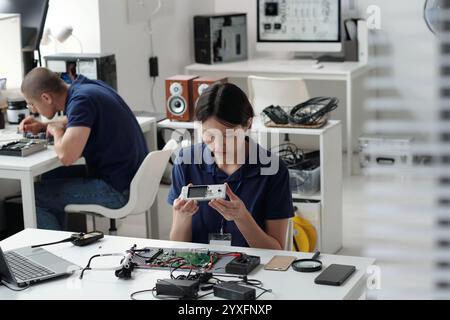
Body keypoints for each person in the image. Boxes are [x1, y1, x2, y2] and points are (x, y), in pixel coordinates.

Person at [168, 83, 294, 250]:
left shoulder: (273, 170)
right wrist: (182, 217)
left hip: (252, 270)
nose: (218, 146)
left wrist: (242, 218)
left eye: (228, 135)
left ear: (248, 124)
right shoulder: (185, 162)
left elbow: (277, 251)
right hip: (198, 267)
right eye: (210, 135)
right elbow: (177, 248)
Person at [19, 67, 148, 230]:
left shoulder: (81, 101)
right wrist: (44, 126)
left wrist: (57, 131)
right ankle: (64, 243)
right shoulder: (88, 88)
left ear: (46, 97)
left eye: (32, 104)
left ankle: (52, 253)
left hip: (118, 189)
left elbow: (67, 157)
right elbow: (79, 118)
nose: (34, 111)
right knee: (50, 176)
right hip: (132, 179)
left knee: (34, 197)